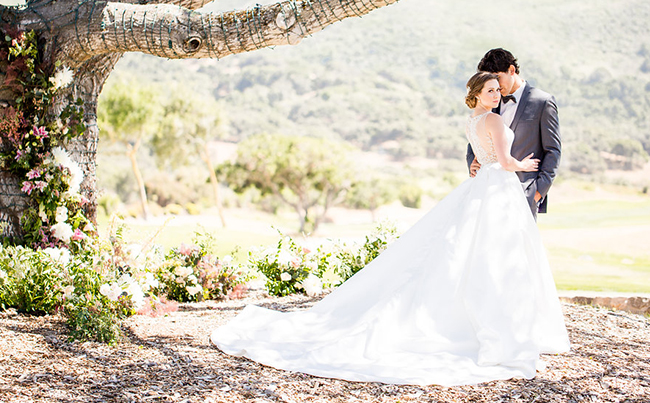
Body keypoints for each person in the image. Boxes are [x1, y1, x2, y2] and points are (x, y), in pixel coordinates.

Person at [211, 71, 569, 387]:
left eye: (497, 91)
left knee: (475, 251)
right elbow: (504, 162)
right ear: (477, 94)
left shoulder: (473, 121)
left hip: (484, 187)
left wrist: (489, 162)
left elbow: (480, 157)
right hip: (498, 188)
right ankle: (501, 327)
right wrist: (523, 164)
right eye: (490, 91)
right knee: (496, 256)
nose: (496, 96)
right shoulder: (491, 120)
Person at [467, 48, 561, 219]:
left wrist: (537, 192)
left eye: (497, 78)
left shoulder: (542, 102)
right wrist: (473, 165)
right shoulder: (490, 101)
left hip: (524, 194)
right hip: (487, 193)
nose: (494, 86)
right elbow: (475, 140)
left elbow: (553, 150)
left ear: (511, 70)